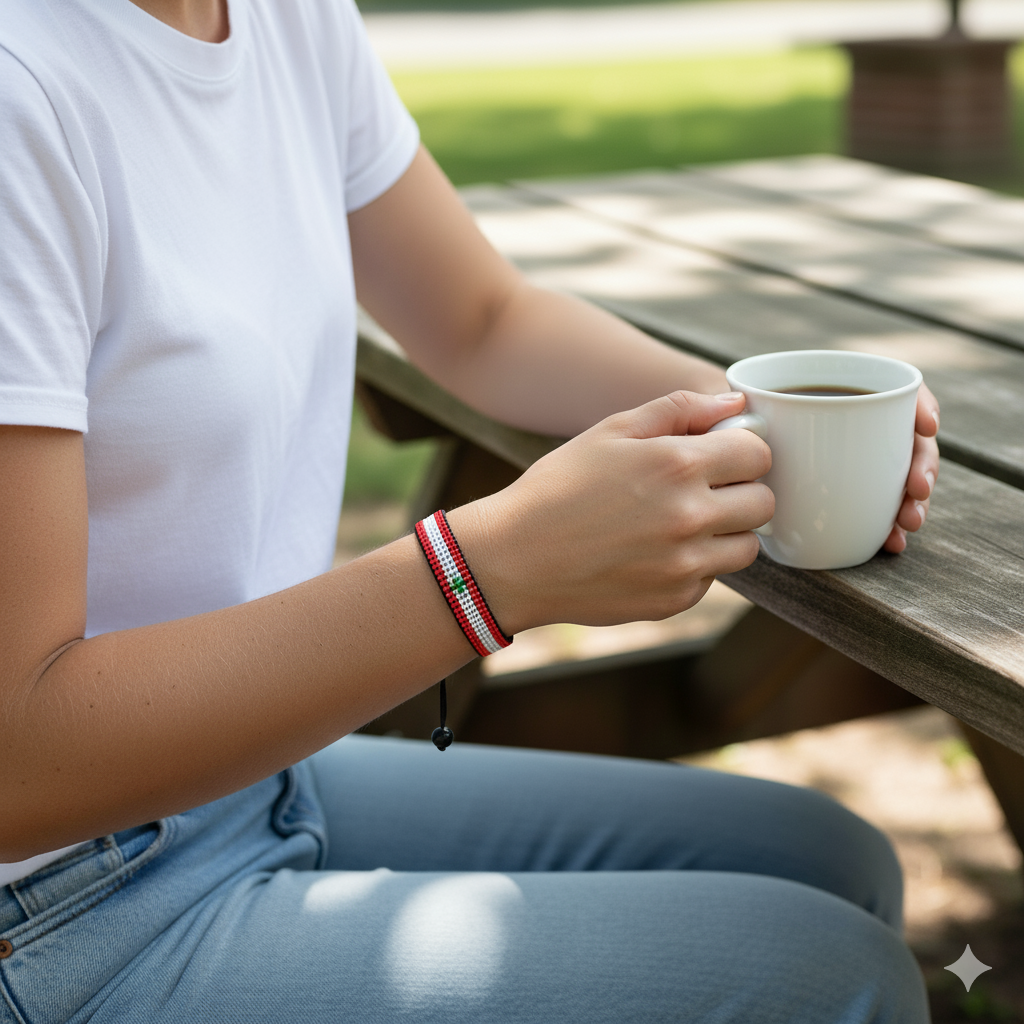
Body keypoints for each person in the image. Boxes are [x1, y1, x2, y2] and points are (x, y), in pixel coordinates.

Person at [0, 0, 940, 1020]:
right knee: (835, 976)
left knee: (832, 861)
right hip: (62, 905)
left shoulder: (284, 18)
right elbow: (20, 761)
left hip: (248, 774)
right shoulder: (24, 89)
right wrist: (483, 572)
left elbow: (482, 321)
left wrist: (766, 425)